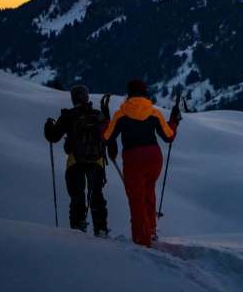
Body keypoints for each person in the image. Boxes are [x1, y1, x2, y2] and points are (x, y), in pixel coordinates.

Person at [103, 79, 181, 247]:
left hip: (133, 159)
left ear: (129, 94)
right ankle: (151, 231)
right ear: (145, 93)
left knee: (136, 200)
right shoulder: (153, 112)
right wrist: (174, 120)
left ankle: (142, 241)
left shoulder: (121, 114)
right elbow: (169, 136)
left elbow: (106, 137)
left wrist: (104, 122)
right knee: (149, 193)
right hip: (154, 158)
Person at [44, 85, 110, 237]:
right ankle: (101, 229)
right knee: (97, 195)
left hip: (75, 161)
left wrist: (49, 124)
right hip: (97, 161)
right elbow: (108, 134)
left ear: (73, 99)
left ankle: (78, 228)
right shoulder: (97, 115)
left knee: (77, 196)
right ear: (87, 97)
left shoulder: (68, 116)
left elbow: (52, 137)